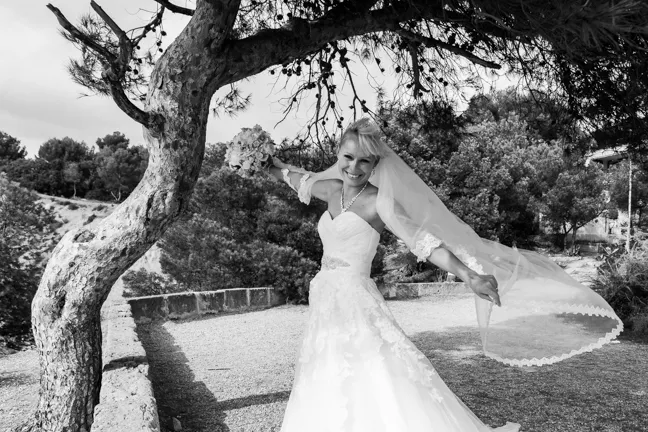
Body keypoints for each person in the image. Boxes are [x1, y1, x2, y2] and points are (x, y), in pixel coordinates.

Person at [264, 119, 622, 431]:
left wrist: (469, 275)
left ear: (376, 164)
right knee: (325, 364)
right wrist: (266, 161)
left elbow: (425, 243)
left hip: (355, 296)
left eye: (364, 161)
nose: (354, 167)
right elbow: (294, 178)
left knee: (376, 365)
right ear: (337, 154)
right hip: (325, 294)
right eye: (348, 157)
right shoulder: (330, 189)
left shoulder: (380, 202)